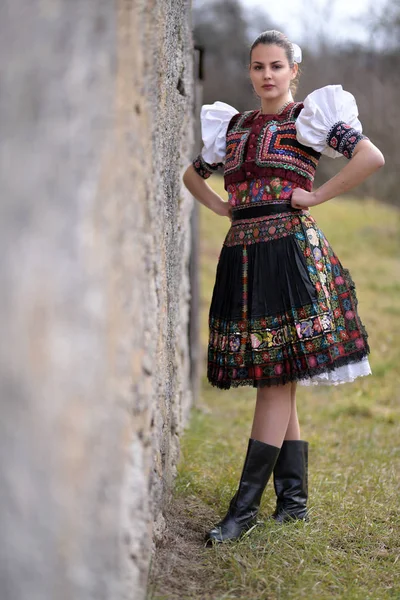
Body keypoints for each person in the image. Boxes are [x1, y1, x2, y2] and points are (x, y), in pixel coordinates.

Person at [182, 30, 384, 545]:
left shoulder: (309, 119)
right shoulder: (232, 125)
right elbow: (192, 175)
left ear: (295, 71)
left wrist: (315, 196)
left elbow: (370, 157)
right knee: (278, 374)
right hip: (243, 256)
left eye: (276, 66)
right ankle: (292, 502)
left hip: (289, 257)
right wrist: (222, 206)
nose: (267, 75)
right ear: (250, 73)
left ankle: (243, 509)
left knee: (275, 377)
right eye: (258, 67)